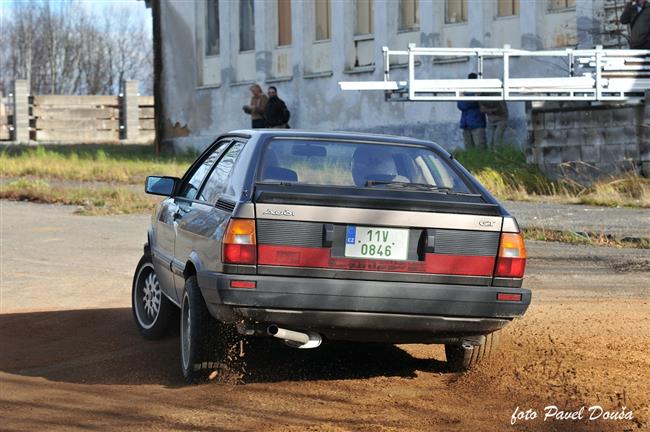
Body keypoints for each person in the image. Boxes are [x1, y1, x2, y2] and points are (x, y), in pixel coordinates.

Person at [457, 73, 486, 150]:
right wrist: (472, 99)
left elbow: (476, 103)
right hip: (466, 124)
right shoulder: (467, 91)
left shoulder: (479, 90)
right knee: (469, 149)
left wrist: (465, 98)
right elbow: (460, 105)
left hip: (477, 123)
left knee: (480, 148)